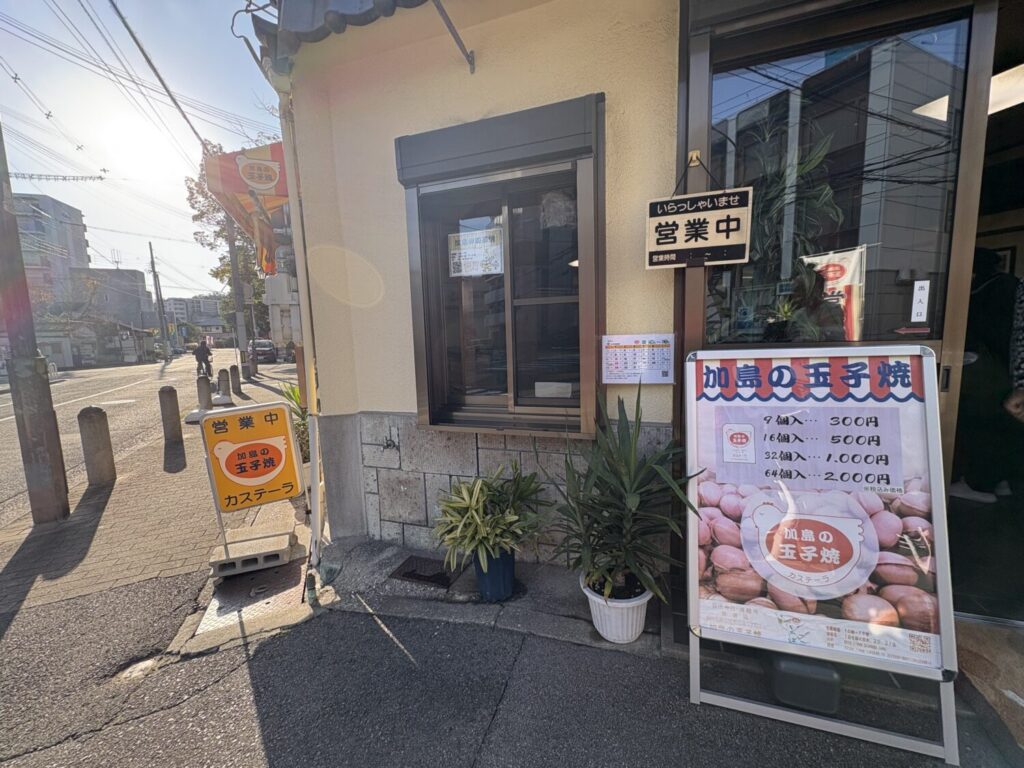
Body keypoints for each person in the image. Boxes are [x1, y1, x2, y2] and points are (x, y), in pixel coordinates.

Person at [950, 247, 1021, 502]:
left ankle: (978, 484)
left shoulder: (982, 290)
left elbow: (974, 328)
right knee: (1002, 423)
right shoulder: (1012, 285)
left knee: (978, 424)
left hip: (983, 363)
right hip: (1007, 366)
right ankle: (1000, 480)